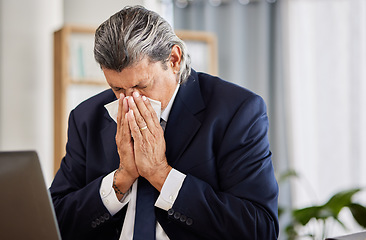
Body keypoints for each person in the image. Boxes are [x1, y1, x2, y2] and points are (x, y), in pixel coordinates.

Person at [50, 5, 279, 240]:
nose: (130, 100)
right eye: (117, 88)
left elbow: (259, 229)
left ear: (174, 59)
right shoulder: (86, 117)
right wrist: (121, 180)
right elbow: (54, 221)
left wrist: (161, 174)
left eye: (141, 86)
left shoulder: (236, 111)